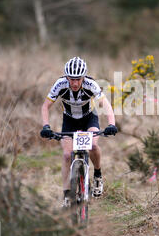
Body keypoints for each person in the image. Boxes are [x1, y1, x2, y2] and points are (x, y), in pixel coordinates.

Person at [40, 56, 117, 207]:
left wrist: (111, 124)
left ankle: (98, 175)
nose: (74, 83)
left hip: (89, 118)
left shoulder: (91, 84)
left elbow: (105, 104)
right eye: (71, 79)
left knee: (93, 146)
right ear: (66, 77)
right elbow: (45, 107)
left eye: (78, 79)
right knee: (67, 154)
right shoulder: (60, 84)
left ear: (83, 77)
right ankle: (67, 195)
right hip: (69, 121)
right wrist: (46, 126)